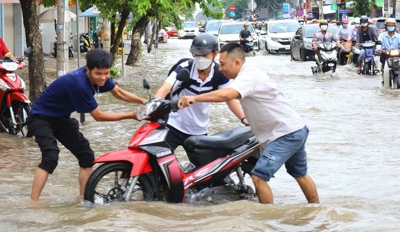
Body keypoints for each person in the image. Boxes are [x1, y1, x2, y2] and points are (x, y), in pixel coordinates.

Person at [178, 42, 319, 204]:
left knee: (258, 177)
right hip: (296, 129)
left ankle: (265, 221)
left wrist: (194, 98)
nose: (220, 68)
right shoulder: (249, 75)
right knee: (300, 174)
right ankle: (315, 211)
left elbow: (228, 95)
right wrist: (245, 119)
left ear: (237, 62)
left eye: (223, 64)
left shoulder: (249, 76)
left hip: (285, 134)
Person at [27, 49, 147, 201]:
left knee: (86, 156)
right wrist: (130, 115)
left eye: (107, 73)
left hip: (61, 119)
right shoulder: (79, 84)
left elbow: (118, 92)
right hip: (40, 118)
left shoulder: (100, 78)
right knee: (51, 156)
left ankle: (84, 199)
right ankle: (33, 202)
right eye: (98, 74)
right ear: (87, 70)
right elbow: (99, 116)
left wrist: (143, 101)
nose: (103, 78)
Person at [154, 33, 247, 153]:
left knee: (204, 169)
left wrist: (243, 118)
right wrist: (154, 105)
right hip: (173, 125)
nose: (199, 58)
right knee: (158, 162)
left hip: (199, 130)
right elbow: (165, 88)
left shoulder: (219, 73)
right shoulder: (184, 67)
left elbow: (229, 98)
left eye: (204, 54)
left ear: (215, 53)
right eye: (196, 54)